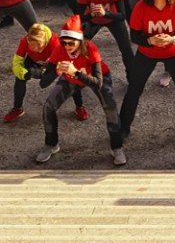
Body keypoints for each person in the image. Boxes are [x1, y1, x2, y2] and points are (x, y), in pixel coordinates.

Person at [116, 0, 175, 141]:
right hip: (147, 53)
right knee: (134, 90)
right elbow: (134, 36)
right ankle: (123, 128)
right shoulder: (141, 7)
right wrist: (150, 40)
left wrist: (172, 39)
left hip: (174, 52)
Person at [37, 16, 124, 166]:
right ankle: (51, 145)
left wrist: (76, 72)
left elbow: (97, 83)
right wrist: (56, 71)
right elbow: (43, 83)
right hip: (71, 79)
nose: (67, 46)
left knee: (110, 107)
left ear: (80, 41)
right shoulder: (59, 50)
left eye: (71, 43)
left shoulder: (90, 48)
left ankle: (117, 147)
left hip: (94, 77)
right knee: (48, 107)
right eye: (63, 42)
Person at [4, 22, 63, 123]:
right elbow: (17, 62)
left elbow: (61, 64)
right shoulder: (24, 41)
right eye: (32, 46)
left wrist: (44, 72)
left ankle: (79, 106)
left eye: (39, 45)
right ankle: (17, 108)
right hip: (32, 61)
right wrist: (24, 73)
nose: (36, 49)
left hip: (52, 64)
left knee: (70, 78)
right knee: (19, 78)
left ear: (45, 41)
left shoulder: (55, 42)